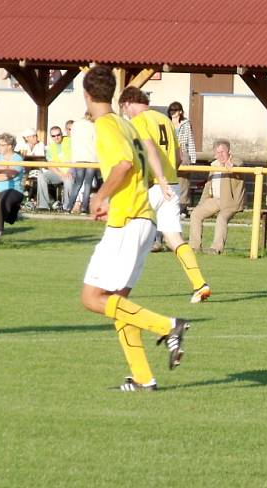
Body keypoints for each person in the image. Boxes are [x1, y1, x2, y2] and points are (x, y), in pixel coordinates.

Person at [78, 65, 188, 392]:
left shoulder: (107, 126)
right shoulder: (126, 125)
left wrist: (101, 195)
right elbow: (147, 154)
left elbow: (124, 165)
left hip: (126, 221)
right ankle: (142, 376)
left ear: (86, 95)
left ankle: (168, 326)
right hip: (141, 218)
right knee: (119, 303)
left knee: (91, 297)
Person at [119, 87, 212, 303]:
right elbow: (179, 156)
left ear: (129, 103)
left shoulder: (139, 121)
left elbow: (149, 148)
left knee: (127, 233)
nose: (125, 114)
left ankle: (117, 288)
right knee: (173, 238)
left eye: (124, 109)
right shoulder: (166, 121)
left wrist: (159, 177)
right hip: (172, 186)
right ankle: (199, 284)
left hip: (153, 185)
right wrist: (168, 176)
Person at [189, 139, 246, 255]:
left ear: (228, 152)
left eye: (223, 152)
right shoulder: (214, 165)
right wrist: (202, 202)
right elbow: (208, 185)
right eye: (218, 152)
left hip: (231, 201)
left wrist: (231, 166)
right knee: (196, 214)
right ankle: (194, 247)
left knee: (221, 218)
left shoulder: (236, 161)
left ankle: (216, 248)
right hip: (215, 200)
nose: (220, 155)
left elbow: (238, 166)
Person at [65, 112, 98, 215]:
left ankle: (69, 207)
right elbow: (96, 141)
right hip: (91, 157)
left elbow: (73, 140)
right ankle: (84, 208)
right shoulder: (93, 125)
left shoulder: (76, 125)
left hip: (79, 157)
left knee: (77, 183)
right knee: (88, 183)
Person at [36, 125, 73, 211]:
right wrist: (60, 174)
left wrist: (70, 171)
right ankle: (43, 206)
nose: (56, 137)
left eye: (58, 135)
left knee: (68, 180)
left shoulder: (70, 141)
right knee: (41, 176)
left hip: (71, 171)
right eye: (53, 136)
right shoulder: (51, 147)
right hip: (58, 173)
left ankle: (67, 207)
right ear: (51, 137)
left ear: (61, 134)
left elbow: (76, 160)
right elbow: (50, 165)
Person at [169, 101, 196, 218]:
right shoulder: (167, 123)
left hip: (183, 152)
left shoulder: (185, 124)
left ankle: (183, 207)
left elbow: (190, 141)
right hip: (170, 153)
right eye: (171, 111)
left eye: (175, 110)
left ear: (180, 112)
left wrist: (192, 158)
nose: (173, 113)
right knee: (171, 178)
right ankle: (171, 205)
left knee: (183, 180)